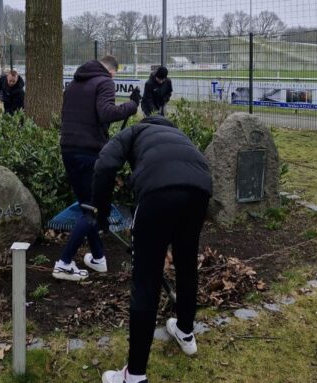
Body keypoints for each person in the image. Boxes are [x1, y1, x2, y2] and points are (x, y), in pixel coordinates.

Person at [91, 115, 212, 383]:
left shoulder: (134, 131)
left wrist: (100, 215)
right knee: (186, 264)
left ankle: (134, 376)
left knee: (145, 282)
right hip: (200, 189)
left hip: (157, 192)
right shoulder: (180, 137)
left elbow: (104, 165)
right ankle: (185, 332)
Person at [52, 55, 140, 281]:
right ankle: (64, 263)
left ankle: (99, 258)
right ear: (111, 71)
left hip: (68, 149)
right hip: (90, 152)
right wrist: (132, 105)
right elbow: (107, 113)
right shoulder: (105, 82)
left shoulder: (73, 84)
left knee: (86, 206)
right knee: (93, 208)